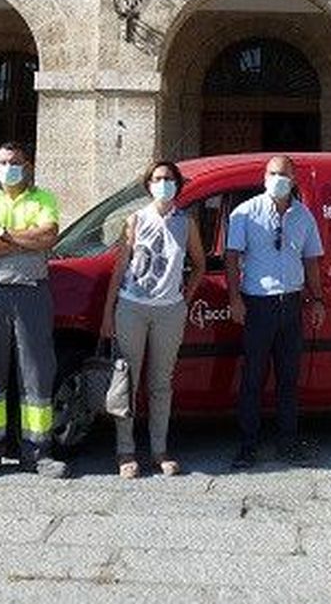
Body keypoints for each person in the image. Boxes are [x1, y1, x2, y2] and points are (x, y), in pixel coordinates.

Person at [0, 143, 69, 479]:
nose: (8, 167)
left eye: (14, 162)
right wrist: (24, 240)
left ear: (28, 165)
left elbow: (48, 237)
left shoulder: (44, 199)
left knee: (37, 376)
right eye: (2, 162)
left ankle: (38, 452)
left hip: (31, 295)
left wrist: (4, 236)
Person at [99, 159, 207, 478]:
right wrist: (108, 313)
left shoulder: (186, 223)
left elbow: (199, 264)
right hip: (132, 307)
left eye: (169, 178)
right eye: (158, 178)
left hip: (169, 311)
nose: (163, 184)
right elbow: (119, 268)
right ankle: (125, 451)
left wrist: (183, 299)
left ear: (177, 184)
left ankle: (160, 449)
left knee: (161, 383)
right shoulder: (134, 219)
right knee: (126, 382)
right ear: (149, 185)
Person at [226, 154, 325, 469]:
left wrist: (318, 298)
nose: (278, 179)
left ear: (293, 179)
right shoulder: (245, 213)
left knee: (288, 378)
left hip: (291, 303)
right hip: (258, 303)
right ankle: (247, 444)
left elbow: (311, 260)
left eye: (284, 174)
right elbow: (231, 258)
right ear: (264, 176)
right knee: (253, 378)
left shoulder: (303, 216)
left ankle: (288, 442)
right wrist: (234, 299)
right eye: (272, 173)